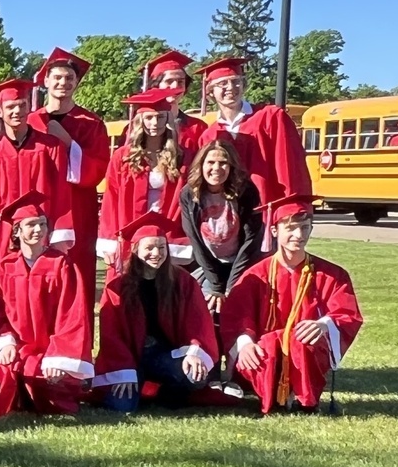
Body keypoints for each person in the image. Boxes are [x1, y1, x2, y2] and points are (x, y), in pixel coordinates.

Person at [222, 195, 363, 415]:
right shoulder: (255, 276)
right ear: (274, 230)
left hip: (308, 353)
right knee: (268, 345)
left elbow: (347, 314)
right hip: (264, 354)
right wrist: (244, 343)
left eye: (305, 228)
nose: (298, 235)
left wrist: (325, 324)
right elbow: (237, 316)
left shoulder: (332, 275)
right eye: (291, 228)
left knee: (301, 341)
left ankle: (304, 398)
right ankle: (268, 395)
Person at [0, 193, 93, 418]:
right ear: (17, 231)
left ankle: (34, 391)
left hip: (50, 350)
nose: (39, 230)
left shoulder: (62, 265)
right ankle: (25, 391)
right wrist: (6, 342)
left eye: (42, 224)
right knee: (7, 368)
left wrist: (59, 356)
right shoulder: (3, 269)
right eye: (31, 225)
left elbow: (72, 315)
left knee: (50, 386)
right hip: (18, 349)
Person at [93, 212, 218, 411]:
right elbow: (111, 333)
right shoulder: (119, 286)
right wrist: (123, 369)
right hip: (130, 357)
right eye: (149, 248)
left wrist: (194, 351)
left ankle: (165, 394)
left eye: (161, 247)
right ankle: (139, 387)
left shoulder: (182, 282)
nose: (156, 253)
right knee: (122, 406)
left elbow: (198, 322)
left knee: (194, 374)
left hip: (166, 355)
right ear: (135, 250)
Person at [31, 49, 110, 292]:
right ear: (46, 81)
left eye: (69, 78)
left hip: (75, 209)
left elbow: (97, 170)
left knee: (76, 276)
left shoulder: (91, 123)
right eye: (57, 77)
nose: (63, 83)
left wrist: (68, 143)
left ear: (76, 83)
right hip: (38, 207)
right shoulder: (31, 121)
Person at [195, 57, 310, 202]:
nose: (230, 87)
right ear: (210, 91)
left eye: (236, 81)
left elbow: (290, 166)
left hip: (269, 208)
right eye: (222, 83)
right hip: (232, 214)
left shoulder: (271, 117)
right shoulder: (209, 135)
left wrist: (292, 207)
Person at [0, 78, 74, 259]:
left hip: (41, 233)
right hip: (3, 236)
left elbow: (62, 194)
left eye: (22, 105)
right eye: (10, 107)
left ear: (28, 107)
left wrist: (60, 234)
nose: (17, 111)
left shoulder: (51, 147)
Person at [99, 88, 190, 265]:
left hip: (166, 235)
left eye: (160, 117)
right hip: (130, 231)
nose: (154, 123)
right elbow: (111, 200)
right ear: (140, 121)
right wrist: (110, 241)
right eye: (149, 118)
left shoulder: (181, 157)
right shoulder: (123, 157)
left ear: (168, 120)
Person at [178, 138, 268, 316]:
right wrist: (217, 286)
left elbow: (251, 241)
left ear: (232, 166)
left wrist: (231, 286)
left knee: (241, 308)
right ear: (201, 164)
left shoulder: (246, 191)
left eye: (223, 163)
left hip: (243, 262)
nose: (216, 169)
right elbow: (196, 241)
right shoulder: (189, 194)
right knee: (206, 309)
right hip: (209, 264)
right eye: (211, 162)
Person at [143, 49, 209, 156]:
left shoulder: (198, 128)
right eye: (169, 81)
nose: (175, 87)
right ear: (155, 85)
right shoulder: (138, 128)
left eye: (180, 82)